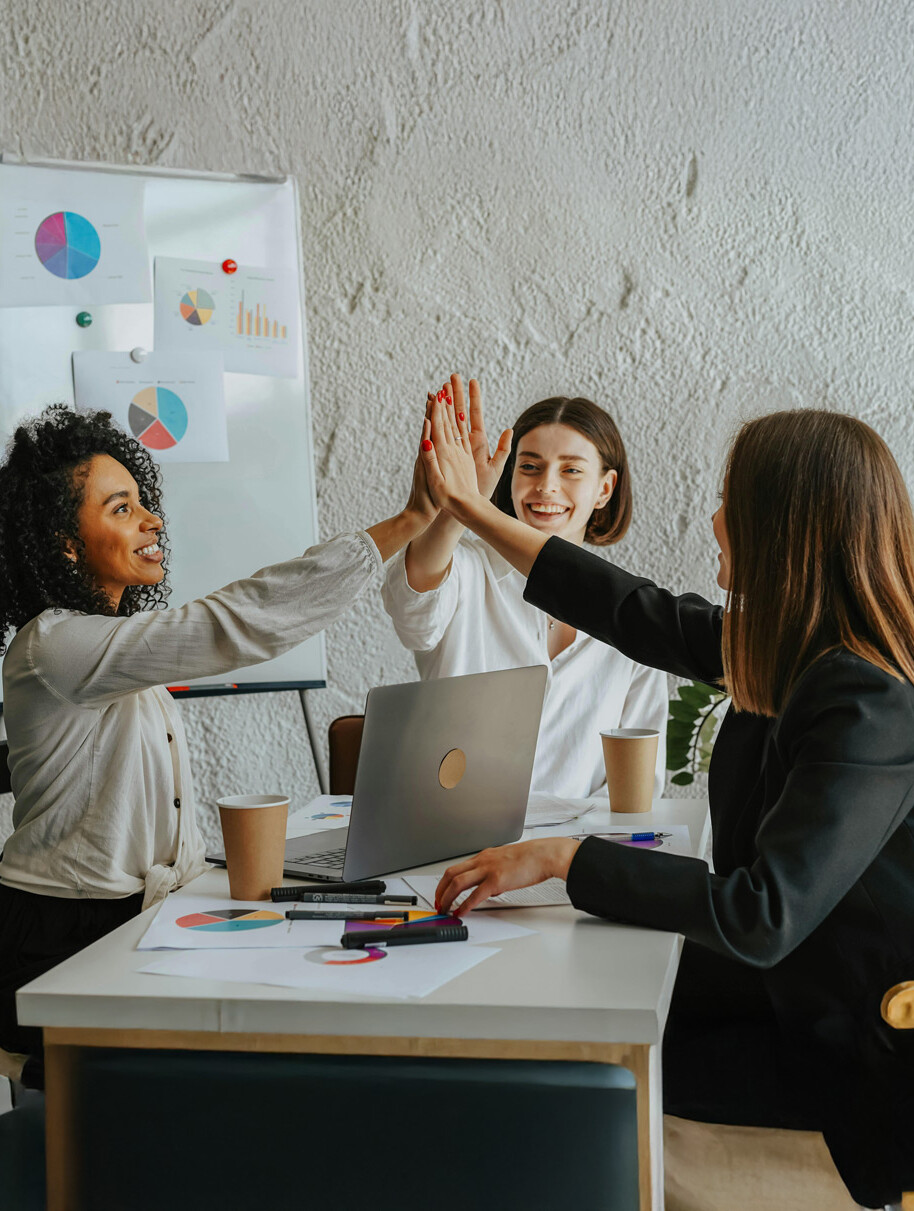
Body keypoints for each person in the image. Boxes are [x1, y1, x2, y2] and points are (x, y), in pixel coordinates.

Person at [422, 387, 914, 1208]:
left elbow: (760, 915)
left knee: (580, 1075)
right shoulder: (787, 650)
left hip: (850, 1045)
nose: (715, 520)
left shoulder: (867, 700)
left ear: (782, 529)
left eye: (731, 503)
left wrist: (566, 857)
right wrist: (472, 510)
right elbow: (625, 607)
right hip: (786, 995)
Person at [0, 402, 438, 1090]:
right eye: (121, 508)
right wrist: (405, 523)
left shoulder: (108, 647)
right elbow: (231, 624)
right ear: (62, 542)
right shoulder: (53, 645)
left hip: (137, 916)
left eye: (144, 501)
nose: (152, 520)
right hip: (62, 933)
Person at [382, 375, 667, 800]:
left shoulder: (634, 612)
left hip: (573, 854)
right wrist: (460, 503)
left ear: (604, 489)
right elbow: (412, 607)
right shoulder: (465, 569)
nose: (546, 485)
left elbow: (639, 785)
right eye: (529, 466)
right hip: (456, 844)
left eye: (571, 470)